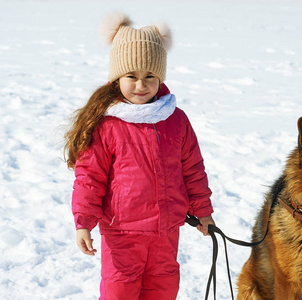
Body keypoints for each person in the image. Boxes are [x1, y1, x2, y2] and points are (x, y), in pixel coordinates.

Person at [64, 13, 215, 300]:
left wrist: (203, 211)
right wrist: (83, 222)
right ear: (117, 78)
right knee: (120, 290)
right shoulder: (107, 123)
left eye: (150, 77)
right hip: (122, 232)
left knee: (163, 288)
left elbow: (193, 168)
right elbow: (89, 177)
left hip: (166, 231)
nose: (141, 85)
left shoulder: (175, 119)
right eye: (131, 76)